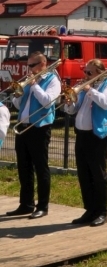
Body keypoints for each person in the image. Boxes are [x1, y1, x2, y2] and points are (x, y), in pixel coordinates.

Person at [63, 60, 107, 227]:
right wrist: (69, 102)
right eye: (85, 72)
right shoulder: (86, 87)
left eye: (89, 73)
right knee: (84, 173)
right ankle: (90, 209)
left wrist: (89, 90)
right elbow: (73, 110)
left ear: (100, 72)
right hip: (82, 135)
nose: (85, 76)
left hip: (98, 135)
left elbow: (106, 102)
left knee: (98, 173)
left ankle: (102, 211)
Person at [7, 53, 61, 219]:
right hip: (23, 127)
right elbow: (18, 104)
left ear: (43, 63)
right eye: (28, 65)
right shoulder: (29, 80)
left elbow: (48, 101)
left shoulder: (52, 80)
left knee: (41, 167)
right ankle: (26, 204)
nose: (29, 69)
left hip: (39, 128)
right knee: (24, 167)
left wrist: (35, 85)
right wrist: (19, 93)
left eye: (32, 65)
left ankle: (42, 206)